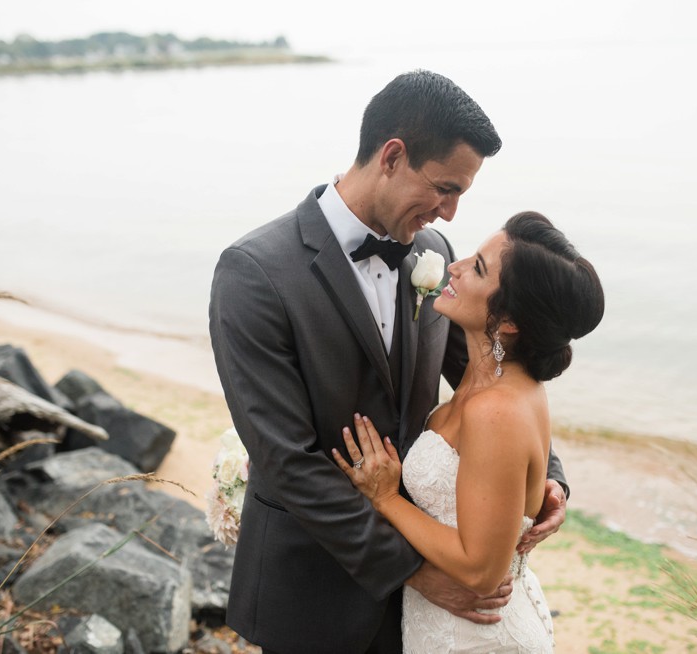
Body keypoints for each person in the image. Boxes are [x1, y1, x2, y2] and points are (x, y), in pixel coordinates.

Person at [209, 70, 570, 654]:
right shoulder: (254, 273)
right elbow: (285, 459)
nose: (450, 213)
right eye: (445, 188)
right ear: (393, 156)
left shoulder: (433, 254)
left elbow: (495, 373)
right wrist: (412, 571)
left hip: (427, 605)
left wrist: (546, 475)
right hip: (314, 592)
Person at [335, 212, 605, 652]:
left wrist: (384, 498)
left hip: (475, 635)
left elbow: (481, 570)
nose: (454, 266)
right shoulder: (499, 382)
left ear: (511, 321)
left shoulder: (495, 410)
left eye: (477, 267)